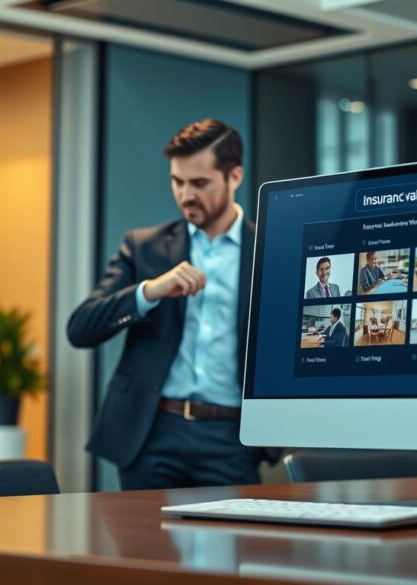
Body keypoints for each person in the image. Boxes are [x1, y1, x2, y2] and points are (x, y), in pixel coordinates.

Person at [67, 119, 276, 490]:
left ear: (235, 176)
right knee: (142, 532)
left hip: (232, 439)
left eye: (199, 183)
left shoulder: (273, 249)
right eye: (177, 182)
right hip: (152, 434)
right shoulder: (143, 247)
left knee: (239, 530)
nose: (185, 195)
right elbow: (80, 329)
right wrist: (149, 291)